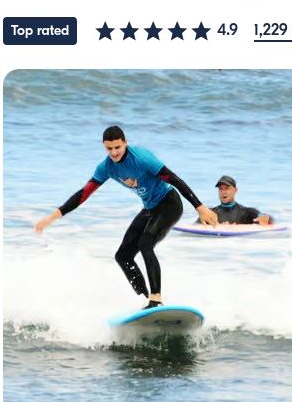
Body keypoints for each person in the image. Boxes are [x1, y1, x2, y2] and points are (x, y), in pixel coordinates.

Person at [34, 125, 218, 307]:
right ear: (104, 146)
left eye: (117, 147)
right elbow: (83, 194)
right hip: (150, 208)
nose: (114, 153)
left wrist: (199, 207)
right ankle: (146, 302)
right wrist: (52, 217)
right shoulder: (106, 167)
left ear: (125, 143)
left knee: (145, 243)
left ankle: (156, 299)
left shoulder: (142, 158)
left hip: (169, 203)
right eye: (109, 148)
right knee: (122, 256)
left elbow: (174, 179)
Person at [203, 175, 273, 225]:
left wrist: (265, 218)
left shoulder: (246, 212)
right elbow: (195, 229)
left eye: (227, 188)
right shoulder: (210, 213)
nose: (223, 192)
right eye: (220, 189)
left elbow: (266, 218)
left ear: (235, 190)